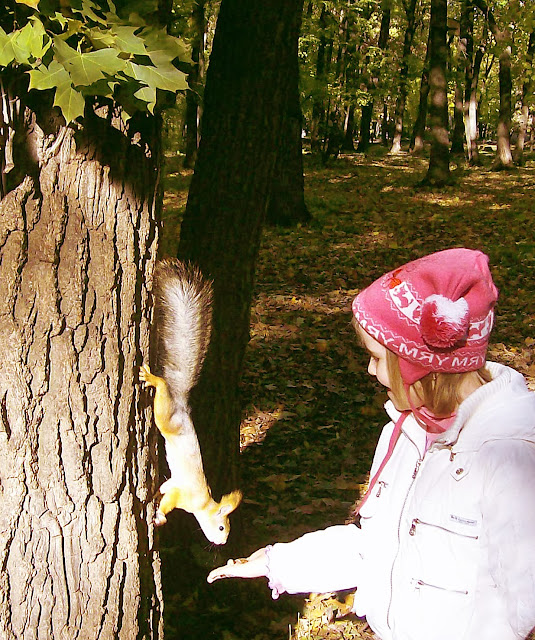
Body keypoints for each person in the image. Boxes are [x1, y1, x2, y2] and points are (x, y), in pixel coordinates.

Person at [207, 248, 535, 640]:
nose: (369, 370)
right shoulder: (407, 432)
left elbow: (523, 604)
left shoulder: (510, 452)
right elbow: (377, 548)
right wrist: (279, 562)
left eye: (378, 358)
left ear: (421, 365)